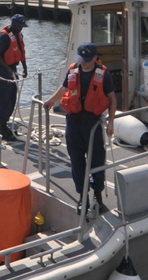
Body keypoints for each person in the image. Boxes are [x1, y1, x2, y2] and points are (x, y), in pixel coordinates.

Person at [44, 42, 116, 213]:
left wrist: (111, 122)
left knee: (97, 159)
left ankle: (98, 193)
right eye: (82, 59)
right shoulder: (73, 70)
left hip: (93, 122)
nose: (84, 63)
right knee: (77, 160)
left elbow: (112, 99)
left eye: (87, 59)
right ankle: (82, 196)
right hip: (74, 121)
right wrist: (52, 100)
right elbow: (64, 87)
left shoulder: (103, 74)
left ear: (94, 58)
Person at [0, 13, 28, 140]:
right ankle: (2, 126)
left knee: (12, 98)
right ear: (13, 24)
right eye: (19, 26)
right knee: (4, 99)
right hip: (3, 71)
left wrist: (24, 67)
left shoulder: (18, 35)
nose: (21, 29)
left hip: (13, 69)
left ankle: (3, 125)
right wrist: (7, 69)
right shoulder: (4, 36)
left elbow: (21, 52)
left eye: (22, 26)